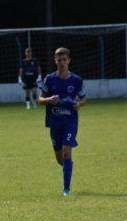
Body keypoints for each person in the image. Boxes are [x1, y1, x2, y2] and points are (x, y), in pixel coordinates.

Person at [38, 47, 86, 196]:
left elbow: (84, 98)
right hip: (55, 122)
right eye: (59, 60)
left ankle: (66, 189)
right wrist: (48, 100)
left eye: (64, 60)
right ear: (55, 61)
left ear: (69, 61)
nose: (62, 63)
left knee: (66, 153)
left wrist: (80, 104)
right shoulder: (50, 79)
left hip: (70, 122)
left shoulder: (76, 80)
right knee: (61, 159)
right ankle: (68, 166)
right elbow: (40, 99)